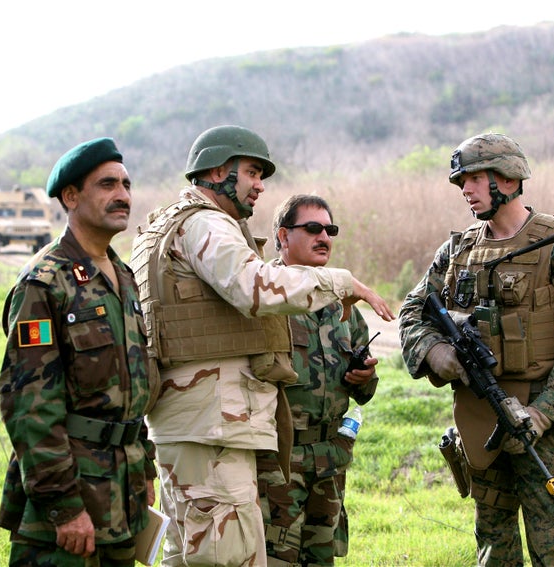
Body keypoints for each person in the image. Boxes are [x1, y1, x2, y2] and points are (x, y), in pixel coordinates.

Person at [130, 125, 393, 566]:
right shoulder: (205, 223)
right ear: (217, 170)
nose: (259, 185)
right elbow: (255, 286)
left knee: (189, 556)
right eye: (252, 172)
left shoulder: (165, 227)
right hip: (212, 425)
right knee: (229, 557)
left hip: (195, 423)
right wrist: (342, 281)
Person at [398, 132, 554, 566]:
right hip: (478, 422)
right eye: (460, 183)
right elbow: (412, 311)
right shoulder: (458, 251)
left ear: (507, 178)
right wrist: (437, 353)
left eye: (473, 178)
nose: (465, 190)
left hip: (540, 429)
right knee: (493, 549)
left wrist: (543, 414)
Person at [0, 138, 159, 567]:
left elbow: (131, 385)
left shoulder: (122, 277)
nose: (123, 195)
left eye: (126, 184)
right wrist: (64, 507)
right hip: (73, 502)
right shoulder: (44, 282)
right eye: (107, 184)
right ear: (71, 196)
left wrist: (145, 471)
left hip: (123, 498)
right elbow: (29, 405)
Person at [257, 194, 380, 567]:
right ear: (282, 236)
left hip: (329, 462)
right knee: (275, 559)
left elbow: (364, 390)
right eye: (312, 228)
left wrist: (365, 376)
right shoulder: (262, 300)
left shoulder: (340, 305)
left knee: (321, 560)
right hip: (279, 466)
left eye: (330, 230)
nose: (324, 236)